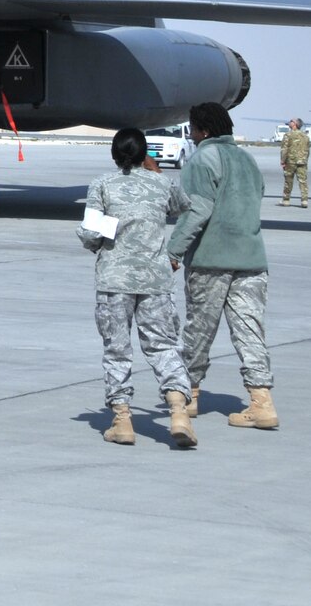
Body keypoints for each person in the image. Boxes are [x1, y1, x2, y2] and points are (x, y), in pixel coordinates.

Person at [80, 128, 194, 448]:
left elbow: (90, 235)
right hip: (156, 280)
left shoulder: (102, 185)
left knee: (117, 350)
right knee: (162, 346)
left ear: (114, 155)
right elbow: (184, 206)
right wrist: (155, 174)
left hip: (115, 281)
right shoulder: (161, 183)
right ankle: (178, 412)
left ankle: (122, 421)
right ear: (146, 154)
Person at [168, 102, 278, 430]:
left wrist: (173, 251)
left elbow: (197, 210)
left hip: (211, 260)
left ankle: (189, 395)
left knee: (199, 330)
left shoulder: (201, 158)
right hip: (251, 259)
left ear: (201, 130)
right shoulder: (247, 158)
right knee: (249, 331)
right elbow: (258, 194)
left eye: (192, 127)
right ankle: (262, 402)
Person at [278, 117, 311, 209]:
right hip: (302, 161)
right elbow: (308, 150)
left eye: (291, 121)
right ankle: (304, 200)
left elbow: (284, 149)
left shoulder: (288, 135)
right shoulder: (305, 136)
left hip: (291, 161)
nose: (289, 122)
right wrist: (305, 160)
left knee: (288, 181)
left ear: (295, 124)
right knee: (303, 181)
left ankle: (286, 200)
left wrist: (282, 160)